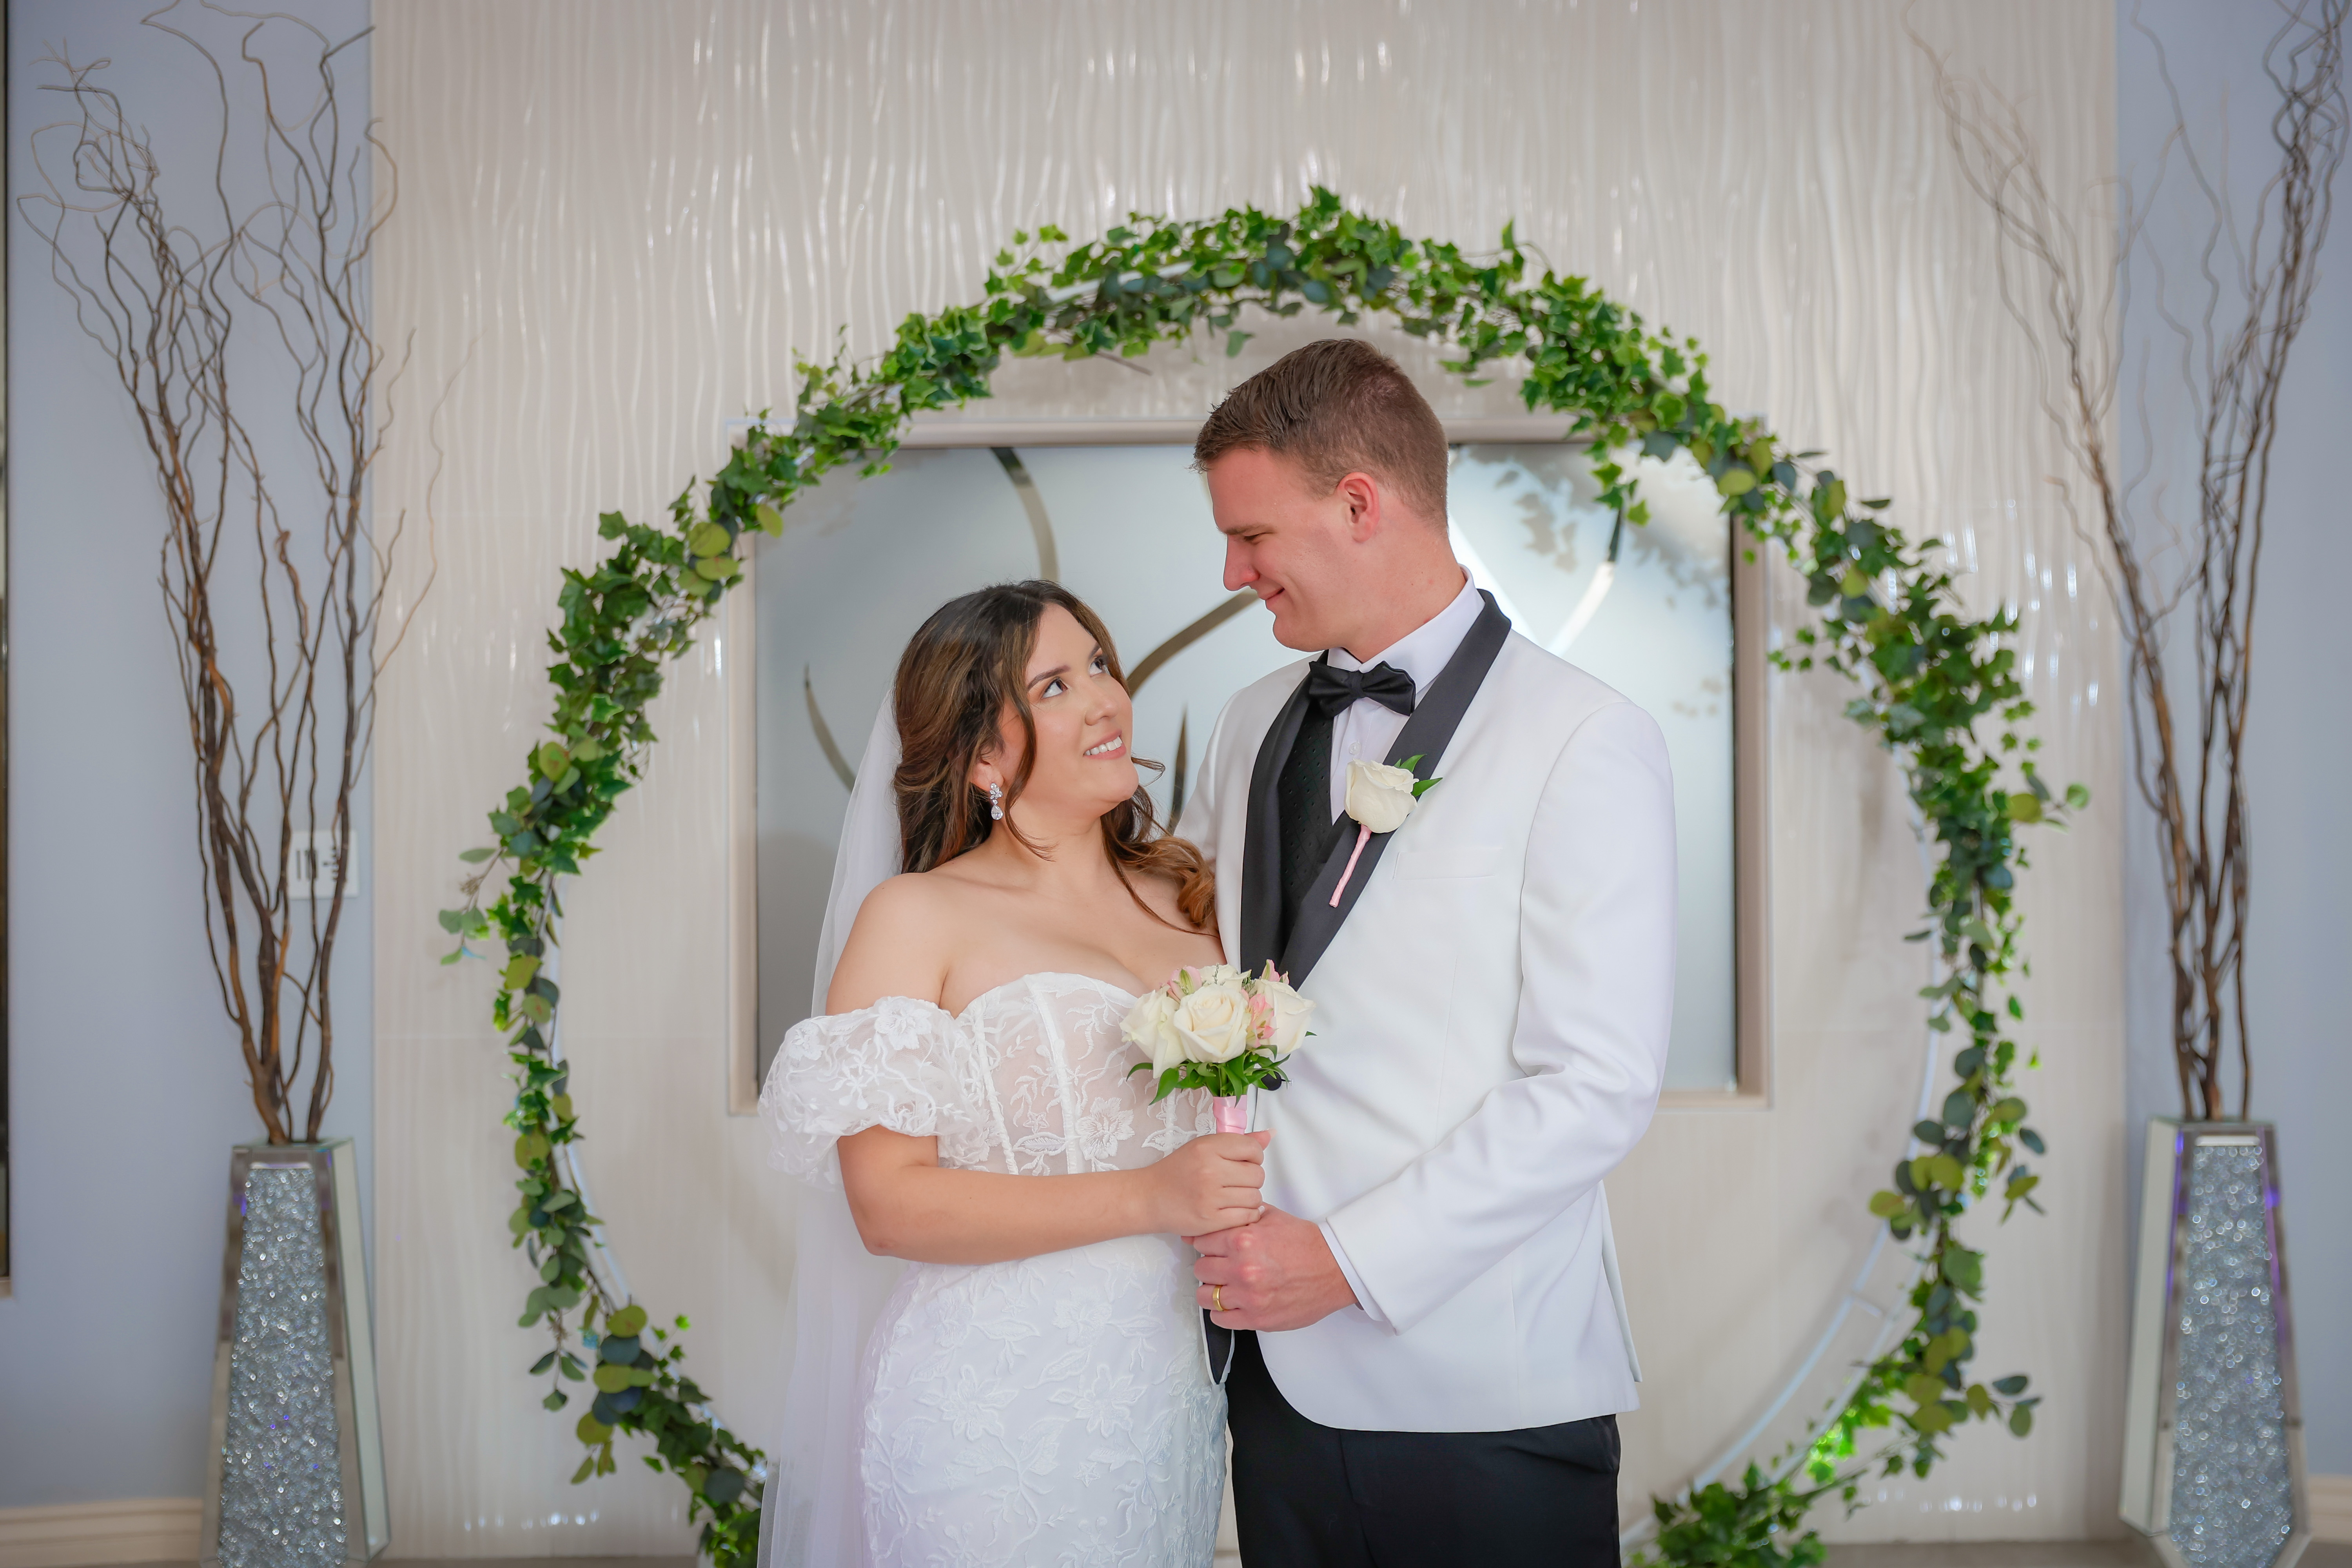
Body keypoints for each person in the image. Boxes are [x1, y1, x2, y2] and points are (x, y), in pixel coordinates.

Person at [1179, 338, 1677, 1565]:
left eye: (1253, 535)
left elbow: (1594, 1086)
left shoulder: (1585, 737)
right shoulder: (1249, 723)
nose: (1232, 570)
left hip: (1476, 1381)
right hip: (1264, 1372)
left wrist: (1344, 1262)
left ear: (1359, 504)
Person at [758, 581, 1255, 1567]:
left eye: (1101, 666)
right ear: (985, 752)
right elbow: (890, 1207)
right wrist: (1154, 1193)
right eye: (1058, 685)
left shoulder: (1190, 891)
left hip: (1168, 1393)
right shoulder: (916, 915)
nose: (1106, 700)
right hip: (993, 1406)